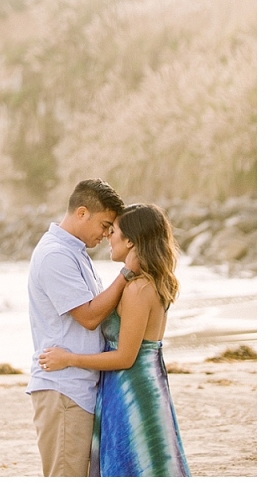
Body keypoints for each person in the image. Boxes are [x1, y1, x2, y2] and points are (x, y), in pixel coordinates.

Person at [39, 203, 191, 477]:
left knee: (135, 465)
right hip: (134, 385)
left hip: (133, 390)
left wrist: (69, 359)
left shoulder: (138, 289)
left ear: (131, 240)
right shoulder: (145, 282)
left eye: (114, 230)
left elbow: (125, 357)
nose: (109, 235)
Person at [27, 178, 138, 477]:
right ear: (81, 213)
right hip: (64, 390)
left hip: (79, 388)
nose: (107, 234)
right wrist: (127, 274)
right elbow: (89, 317)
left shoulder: (75, 253)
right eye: (104, 225)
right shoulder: (55, 255)